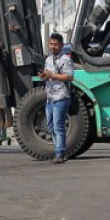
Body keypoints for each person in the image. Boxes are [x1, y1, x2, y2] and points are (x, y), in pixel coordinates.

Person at [40, 33, 74, 164]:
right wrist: (44, 75)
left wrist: (52, 75)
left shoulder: (66, 59)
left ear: (61, 45)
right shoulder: (47, 59)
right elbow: (47, 75)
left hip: (61, 96)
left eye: (56, 44)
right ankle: (60, 150)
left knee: (58, 126)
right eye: (51, 44)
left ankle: (59, 153)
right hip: (50, 97)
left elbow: (69, 77)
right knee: (50, 127)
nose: (53, 46)